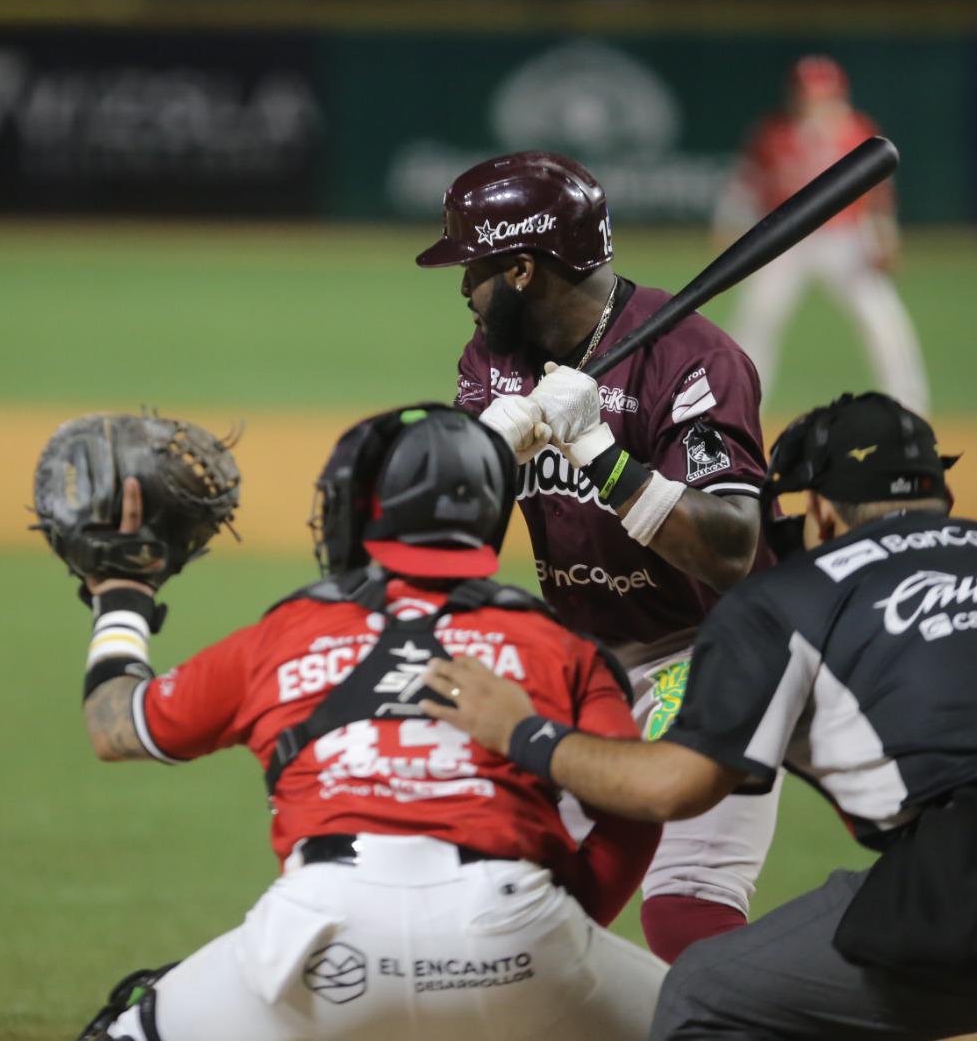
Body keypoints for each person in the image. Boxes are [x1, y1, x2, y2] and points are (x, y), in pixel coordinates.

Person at [422, 391, 977, 1040]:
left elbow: (672, 789)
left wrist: (524, 731)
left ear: (817, 510)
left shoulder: (793, 594)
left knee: (704, 996)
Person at [62, 405, 667, 1041]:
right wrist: (560, 926)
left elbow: (115, 725)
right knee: (717, 1013)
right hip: (514, 923)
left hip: (317, 937)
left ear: (359, 509)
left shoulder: (285, 635)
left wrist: (122, 595)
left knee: (127, 1029)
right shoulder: (560, 647)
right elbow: (635, 803)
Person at [418, 150, 778, 960]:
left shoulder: (696, 359)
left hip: (715, 650)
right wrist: (486, 451)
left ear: (519, 267)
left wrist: (602, 454)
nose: (462, 287)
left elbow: (731, 547)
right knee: (511, 893)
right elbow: (456, 531)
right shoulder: (493, 358)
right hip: (584, 657)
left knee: (687, 907)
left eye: (473, 266)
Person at [714, 56, 930, 415]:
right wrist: (729, 224)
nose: (811, 100)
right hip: (784, 240)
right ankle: (737, 410)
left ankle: (910, 407)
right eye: (805, 92)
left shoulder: (856, 130)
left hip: (843, 240)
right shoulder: (773, 133)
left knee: (882, 319)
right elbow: (746, 185)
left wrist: (884, 237)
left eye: (819, 93)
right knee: (755, 319)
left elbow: (878, 193)